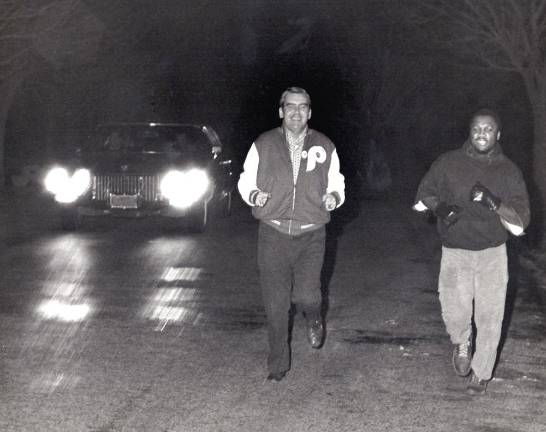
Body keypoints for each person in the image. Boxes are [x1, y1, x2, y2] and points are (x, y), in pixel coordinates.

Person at [413, 108, 530, 394]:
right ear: (470, 131)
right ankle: (461, 341)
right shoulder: (448, 162)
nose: (481, 133)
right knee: (455, 311)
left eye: (488, 129)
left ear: (498, 134)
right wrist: (439, 208)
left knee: (491, 315)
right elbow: (423, 195)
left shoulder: (508, 170)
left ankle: (482, 372)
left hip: (492, 253)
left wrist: (494, 203)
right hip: (456, 251)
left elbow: (521, 222)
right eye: (477, 128)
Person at [238, 87, 345, 382]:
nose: (296, 112)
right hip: (273, 232)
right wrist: (254, 194)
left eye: (303, 107)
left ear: (310, 112)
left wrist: (334, 197)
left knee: (307, 296)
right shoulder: (264, 143)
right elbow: (246, 178)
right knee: (276, 305)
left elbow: (337, 181)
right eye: (290, 106)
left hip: (311, 234)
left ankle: (314, 317)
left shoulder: (325, 145)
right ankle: (278, 365)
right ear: (281, 111)